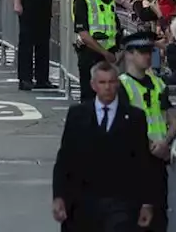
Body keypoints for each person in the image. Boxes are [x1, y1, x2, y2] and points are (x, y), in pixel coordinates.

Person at [51, 61, 156, 231]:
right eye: (102, 82)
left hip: (121, 202)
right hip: (81, 202)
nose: (107, 87)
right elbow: (65, 159)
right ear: (93, 85)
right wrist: (59, 196)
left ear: (117, 84)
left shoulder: (135, 117)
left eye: (111, 82)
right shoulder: (77, 115)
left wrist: (147, 202)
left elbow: (142, 162)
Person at [118, 31, 176, 232]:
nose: (147, 56)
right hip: (132, 162)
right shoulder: (121, 86)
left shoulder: (159, 84)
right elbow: (121, 126)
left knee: (159, 219)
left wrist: (165, 142)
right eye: (142, 52)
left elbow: (172, 118)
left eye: (149, 51)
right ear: (128, 54)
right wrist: (150, 145)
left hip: (158, 160)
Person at [73, 0, 120, 101]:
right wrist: (104, 52)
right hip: (91, 54)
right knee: (89, 98)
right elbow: (84, 33)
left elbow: (115, 26)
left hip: (110, 53)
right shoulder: (82, 0)